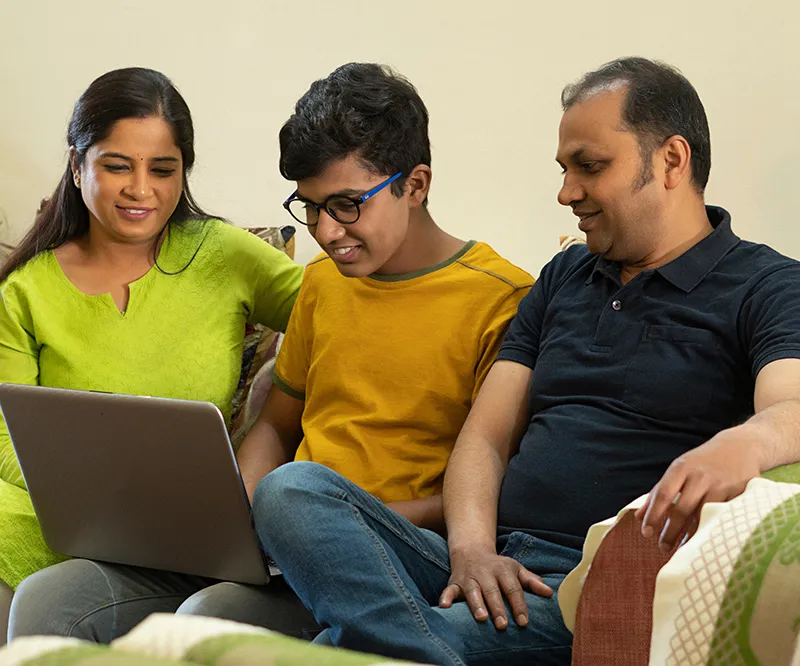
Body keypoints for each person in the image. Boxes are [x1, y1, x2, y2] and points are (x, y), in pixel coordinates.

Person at [249, 57, 800, 665]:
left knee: (337, 648)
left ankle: (385, 646)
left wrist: (744, 445)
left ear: (672, 160)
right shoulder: (564, 277)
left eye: (590, 167)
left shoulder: (766, 285)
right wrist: (473, 551)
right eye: (565, 170)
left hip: (587, 586)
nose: (566, 193)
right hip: (489, 561)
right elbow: (484, 439)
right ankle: (402, 645)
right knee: (289, 490)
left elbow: (792, 407)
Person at [10, 62, 533, 643]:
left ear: (415, 184)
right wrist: (240, 511)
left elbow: (493, 478)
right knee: (49, 599)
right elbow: (277, 427)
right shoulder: (324, 282)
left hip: (389, 552)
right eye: (309, 206)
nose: (327, 231)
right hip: (276, 546)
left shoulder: (504, 300)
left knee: (203, 623)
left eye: (347, 205)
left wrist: (309, 522)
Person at [3, 67, 303, 638]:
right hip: (55, 520)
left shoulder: (224, 254)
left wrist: (281, 400)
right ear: (76, 164)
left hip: (193, 537)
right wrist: (86, 492)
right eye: (118, 165)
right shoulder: (27, 289)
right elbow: (3, 434)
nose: (142, 190)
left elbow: (334, 320)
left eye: (163, 170)